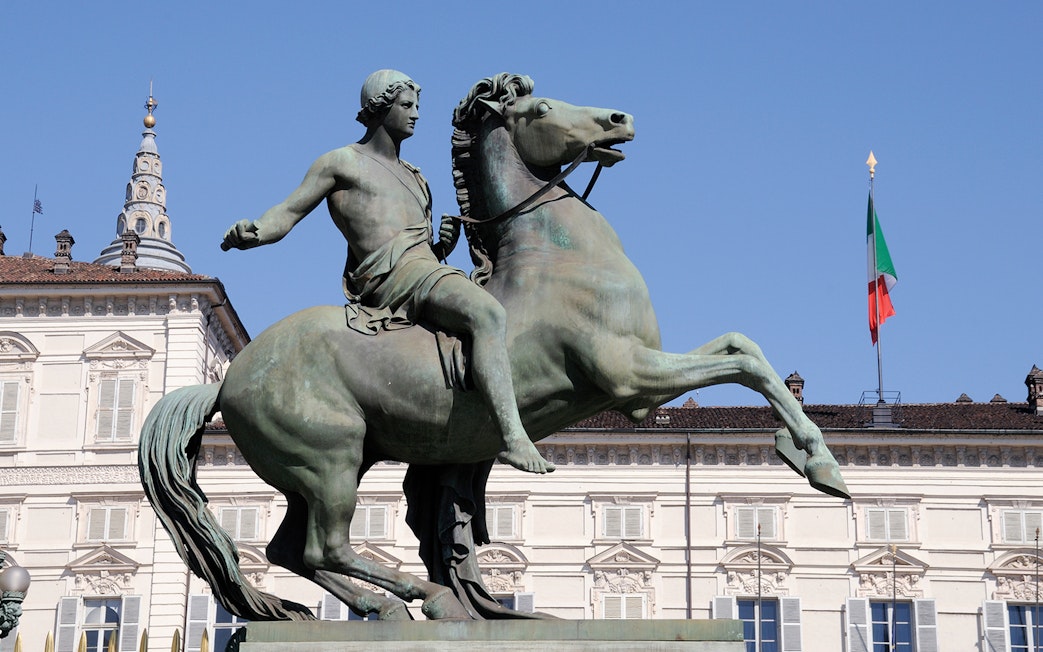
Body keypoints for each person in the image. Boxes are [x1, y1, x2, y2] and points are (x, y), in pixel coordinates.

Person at [222, 70, 552, 474]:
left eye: (417, 106)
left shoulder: (417, 178)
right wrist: (255, 231)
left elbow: (420, 248)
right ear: (380, 107)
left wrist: (441, 246)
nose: (415, 114)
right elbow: (288, 213)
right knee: (488, 314)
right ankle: (513, 438)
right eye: (406, 105)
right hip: (390, 279)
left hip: (422, 271)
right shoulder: (342, 162)